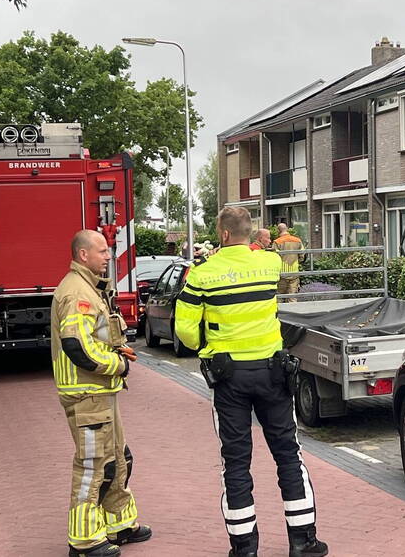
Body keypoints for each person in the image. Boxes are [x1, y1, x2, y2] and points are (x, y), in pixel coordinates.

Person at [175, 207, 327, 557]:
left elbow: (184, 330)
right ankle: (303, 541)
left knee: (236, 460)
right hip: (273, 373)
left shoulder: (202, 274)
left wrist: (208, 344)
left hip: (229, 378)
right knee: (289, 455)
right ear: (249, 232)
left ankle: (244, 547)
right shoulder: (270, 265)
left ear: (223, 234)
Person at [51, 230, 153, 557]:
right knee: (93, 466)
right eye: (102, 251)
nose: (108, 256)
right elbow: (77, 346)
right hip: (86, 394)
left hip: (101, 393)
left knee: (119, 460)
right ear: (83, 255)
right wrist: (118, 364)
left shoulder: (90, 288)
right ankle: (83, 542)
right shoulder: (76, 293)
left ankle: (119, 524)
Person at [272, 223, 305, 300]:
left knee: (279, 298)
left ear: (278, 231)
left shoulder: (277, 242)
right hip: (294, 273)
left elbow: (274, 257)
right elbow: (302, 256)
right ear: (287, 229)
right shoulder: (297, 240)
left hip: (281, 274)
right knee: (292, 297)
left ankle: (281, 312)